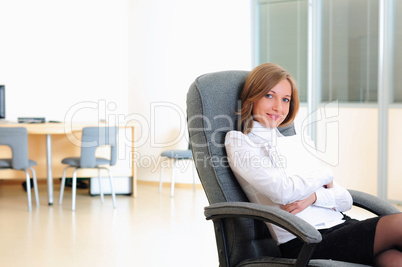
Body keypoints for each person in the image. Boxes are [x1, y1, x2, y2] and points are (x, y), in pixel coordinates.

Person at [224, 63, 402, 266]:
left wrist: (314, 196)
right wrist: (325, 174)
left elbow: (344, 200)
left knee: (394, 259)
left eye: (285, 99)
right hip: (305, 239)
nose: (278, 107)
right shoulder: (239, 141)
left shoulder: (297, 142)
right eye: (269, 96)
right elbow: (282, 192)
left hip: (342, 225)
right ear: (252, 96)